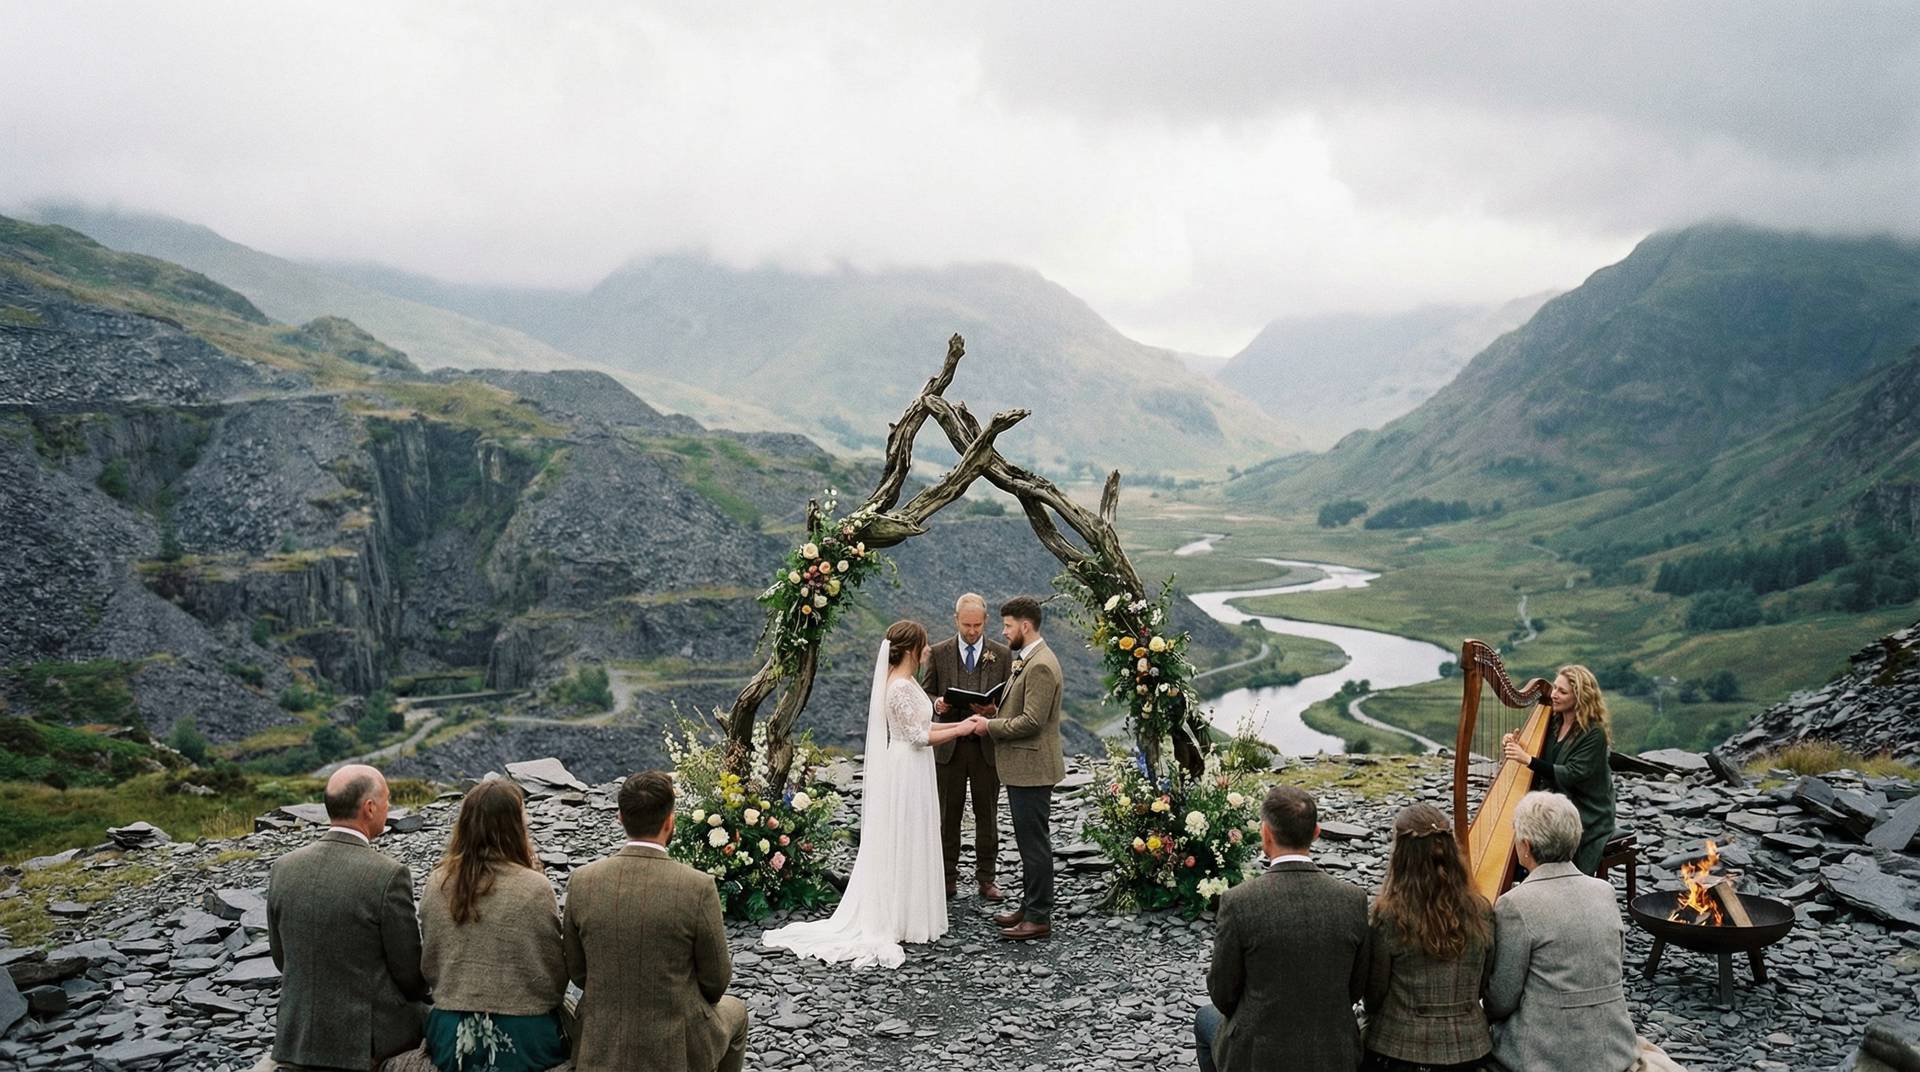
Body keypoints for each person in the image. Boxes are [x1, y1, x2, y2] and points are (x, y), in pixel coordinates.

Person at [762, 620, 984, 967]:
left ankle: (914, 912)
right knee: (903, 836)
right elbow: (917, 736)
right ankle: (898, 916)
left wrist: (960, 724)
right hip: (906, 767)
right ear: (911, 649)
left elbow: (923, 727)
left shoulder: (907, 682)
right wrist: (961, 730)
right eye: (924, 645)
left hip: (916, 765)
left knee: (915, 835)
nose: (928, 651)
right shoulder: (897, 687)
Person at [564, 770, 750, 1072]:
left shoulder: (582, 881)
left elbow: (578, 971)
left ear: (621, 819)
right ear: (670, 821)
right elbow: (716, 981)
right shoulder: (697, 886)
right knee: (737, 1012)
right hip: (675, 1047)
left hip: (601, 1042)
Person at [266, 763, 428, 1071]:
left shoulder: (283, 867)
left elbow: (281, 959)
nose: (388, 806)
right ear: (369, 808)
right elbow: (409, 975)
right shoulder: (388, 875)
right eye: (387, 800)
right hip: (361, 1042)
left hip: (296, 1035)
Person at [1196, 785, 1370, 1072]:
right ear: (1316, 833)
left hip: (1259, 1058)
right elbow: (1355, 988)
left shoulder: (1238, 902)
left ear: (1266, 834)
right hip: (1332, 1053)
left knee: (1205, 1018)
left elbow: (1223, 994)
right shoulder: (1353, 900)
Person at [418, 778, 569, 1072]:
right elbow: (552, 974)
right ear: (514, 825)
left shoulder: (436, 883)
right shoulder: (534, 887)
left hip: (452, 1033)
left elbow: (430, 964)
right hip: (523, 1032)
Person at [1484, 792, 1637, 1072]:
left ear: (1526, 846)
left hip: (1546, 1055)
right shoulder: (1604, 891)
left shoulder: (1515, 903)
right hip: (1613, 1048)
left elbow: (1502, 998)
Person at [1361, 803, 1495, 1072]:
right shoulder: (1481, 909)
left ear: (1401, 855)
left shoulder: (1389, 915)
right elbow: (1482, 982)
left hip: (1398, 1048)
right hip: (1469, 1049)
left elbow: (1374, 995)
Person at [984, 595, 1066, 942]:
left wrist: (987, 727)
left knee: (1034, 844)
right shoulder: (1029, 660)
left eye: (1007, 626)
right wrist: (995, 713)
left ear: (1025, 626)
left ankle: (1038, 916)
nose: (1003, 633)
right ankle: (1029, 906)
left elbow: (1032, 721)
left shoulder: (1041, 665)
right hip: (1024, 767)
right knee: (1028, 840)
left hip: (1032, 767)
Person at [923, 591, 1014, 901]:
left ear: (986, 621)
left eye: (977, 625)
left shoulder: (1002, 655)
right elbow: (924, 694)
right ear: (955, 620)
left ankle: (987, 878)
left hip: (985, 748)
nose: (972, 631)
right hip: (949, 748)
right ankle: (947, 877)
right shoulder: (938, 652)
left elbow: (1008, 700)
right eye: (966, 625)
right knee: (948, 814)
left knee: (987, 814)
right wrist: (938, 704)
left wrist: (994, 712)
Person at [1501, 664, 1617, 874]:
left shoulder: (1593, 733)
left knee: (1539, 835)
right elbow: (1543, 757)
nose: (1553, 695)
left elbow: (1572, 774)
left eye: (1562, 691)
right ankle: (1527, 880)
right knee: (1513, 832)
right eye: (1554, 688)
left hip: (1586, 809)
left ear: (1580, 697)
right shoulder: (1553, 721)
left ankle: (1548, 879)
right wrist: (1514, 744)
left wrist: (1527, 759)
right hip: (1555, 800)